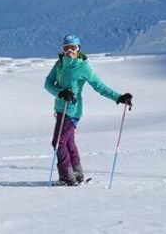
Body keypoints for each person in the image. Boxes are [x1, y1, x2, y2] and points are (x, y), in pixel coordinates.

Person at [44, 34, 133, 186]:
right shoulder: (59, 64)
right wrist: (60, 92)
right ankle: (77, 174)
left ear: (79, 49)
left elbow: (100, 87)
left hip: (72, 111)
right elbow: (48, 83)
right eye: (66, 48)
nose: (69, 51)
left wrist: (119, 98)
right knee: (69, 143)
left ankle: (67, 177)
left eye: (73, 48)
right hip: (60, 108)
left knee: (58, 143)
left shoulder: (83, 67)